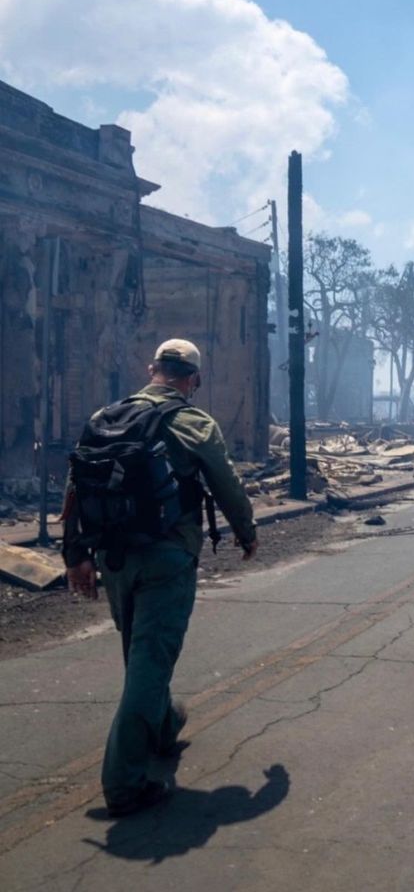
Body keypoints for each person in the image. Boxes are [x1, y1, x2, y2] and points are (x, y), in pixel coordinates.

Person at [63, 338, 258, 817]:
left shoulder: (105, 417)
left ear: (152, 369)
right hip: (166, 558)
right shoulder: (194, 423)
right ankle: (124, 785)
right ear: (193, 379)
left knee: (141, 654)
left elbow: (76, 484)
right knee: (150, 662)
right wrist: (246, 532)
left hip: (113, 558)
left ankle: (164, 726)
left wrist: (76, 556)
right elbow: (226, 483)